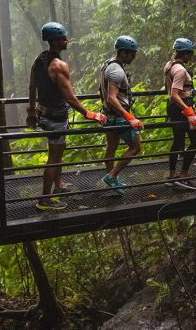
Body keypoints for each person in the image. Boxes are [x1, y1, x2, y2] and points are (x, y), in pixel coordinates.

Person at [27, 22, 106, 211]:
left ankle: (58, 184)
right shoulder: (59, 65)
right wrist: (90, 114)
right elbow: (69, 97)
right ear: (55, 41)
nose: (66, 40)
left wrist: (31, 111)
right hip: (55, 117)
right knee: (53, 157)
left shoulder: (39, 59)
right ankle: (44, 200)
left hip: (43, 113)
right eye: (63, 38)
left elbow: (32, 87)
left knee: (59, 149)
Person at [97, 35, 143, 195]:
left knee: (111, 148)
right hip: (119, 116)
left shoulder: (106, 65)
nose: (134, 57)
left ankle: (112, 181)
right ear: (123, 53)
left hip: (108, 116)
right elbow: (111, 98)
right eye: (132, 54)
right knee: (136, 146)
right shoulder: (116, 70)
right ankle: (112, 176)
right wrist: (130, 118)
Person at [164, 38, 196, 191]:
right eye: (189, 54)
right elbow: (175, 94)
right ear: (185, 54)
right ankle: (183, 175)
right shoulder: (180, 70)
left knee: (178, 141)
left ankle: (173, 176)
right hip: (182, 108)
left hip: (174, 109)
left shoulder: (169, 65)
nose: (190, 57)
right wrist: (190, 113)